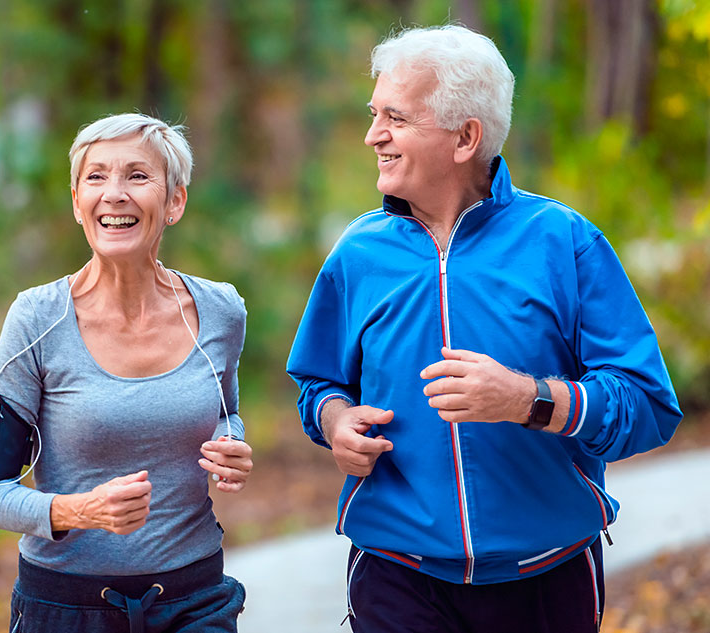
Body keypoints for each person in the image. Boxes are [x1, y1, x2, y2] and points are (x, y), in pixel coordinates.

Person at [286, 25, 682, 633]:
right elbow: (318, 384)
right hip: (396, 571)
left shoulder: (563, 241)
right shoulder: (357, 253)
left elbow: (648, 406)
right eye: (374, 114)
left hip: (547, 576)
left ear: (465, 137)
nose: (373, 135)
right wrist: (335, 419)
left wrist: (528, 399)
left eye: (395, 117)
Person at [0, 113, 252, 632]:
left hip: (195, 600)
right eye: (96, 177)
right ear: (77, 203)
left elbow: (226, 411)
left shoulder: (220, 310)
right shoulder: (37, 318)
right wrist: (81, 511)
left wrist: (231, 444)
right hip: (67, 608)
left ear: (175, 202)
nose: (114, 193)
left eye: (138, 176)